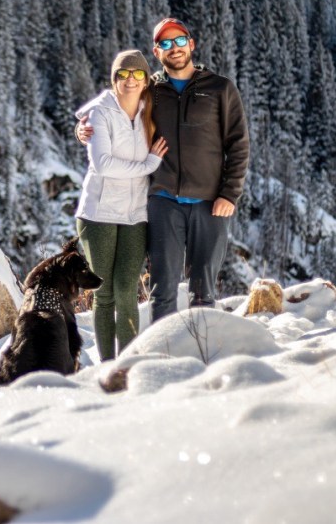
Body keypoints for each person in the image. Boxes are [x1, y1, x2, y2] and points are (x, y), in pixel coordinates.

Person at [77, 18, 250, 324]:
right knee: (163, 288)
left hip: (210, 202)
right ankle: (164, 350)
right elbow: (114, 104)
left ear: (191, 44)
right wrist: (83, 126)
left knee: (204, 290)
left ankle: (202, 348)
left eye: (180, 41)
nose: (175, 48)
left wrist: (229, 194)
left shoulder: (219, 88)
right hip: (162, 201)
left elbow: (238, 143)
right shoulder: (151, 91)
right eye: (166, 44)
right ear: (157, 52)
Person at [75, 50, 168, 360]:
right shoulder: (99, 114)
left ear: (146, 80)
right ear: (113, 79)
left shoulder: (151, 110)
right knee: (104, 293)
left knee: (127, 290)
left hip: (136, 214)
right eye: (123, 74)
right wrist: (148, 165)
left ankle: (128, 364)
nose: (130, 80)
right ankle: (107, 366)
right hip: (99, 213)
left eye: (137, 74)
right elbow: (102, 164)